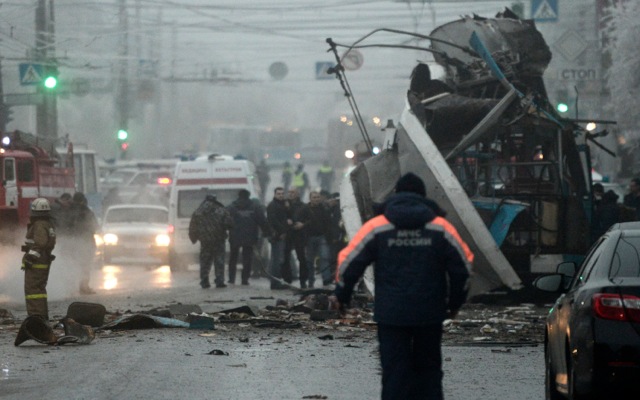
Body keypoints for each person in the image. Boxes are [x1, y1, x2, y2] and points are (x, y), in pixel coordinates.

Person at [331, 172, 473, 400]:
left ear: (395, 194)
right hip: (429, 313)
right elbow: (463, 268)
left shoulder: (377, 227)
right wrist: (454, 303)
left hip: (391, 314)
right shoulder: (441, 228)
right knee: (429, 373)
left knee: (395, 373)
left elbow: (350, 263)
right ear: (423, 196)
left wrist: (342, 296)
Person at [21, 198, 57, 320]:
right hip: (43, 261)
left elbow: (40, 244)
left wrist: (30, 257)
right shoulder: (47, 224)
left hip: (36, 263)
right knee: (39, 290)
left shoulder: (39, 225)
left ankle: (36, 317)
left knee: (33, 290)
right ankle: (41, 316)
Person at [189, 194, 233, 288]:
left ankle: (204, 281)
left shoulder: (198, 211)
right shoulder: (221, 210)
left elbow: (193, 227)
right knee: (219, 261)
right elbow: (229, 224)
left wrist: (194, 238)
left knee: (205, 261)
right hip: (219, 240)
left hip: (205, 241)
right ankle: (219, 280)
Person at [226, 189, 270, 285]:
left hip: (234, 236)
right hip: (250, 237)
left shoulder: (231, 207)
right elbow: (262, 221)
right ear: (248, 196)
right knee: (247, 259)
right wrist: (267, 233)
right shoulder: (255, 207)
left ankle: (231, 279)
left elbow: (224, 220)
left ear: (239, 195)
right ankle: (244, 279)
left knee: (233, 258)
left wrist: (227, 230)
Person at [296, 191, 332, 288]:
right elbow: (298, 220)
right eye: (314, 197)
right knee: (309, 261)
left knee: (324, 257)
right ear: (310, 198)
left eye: (318, 197)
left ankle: (326, 280)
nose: (316, 199)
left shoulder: (324, 209)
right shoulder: (304, 209)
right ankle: (311, 281)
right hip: (309, 238)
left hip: (321, 237)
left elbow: (328, 222)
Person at [69, 192, 100, 295]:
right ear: (83, 200)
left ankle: (70, 287)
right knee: (85, 265)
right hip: (86, 241)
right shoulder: (86, 211)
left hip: (71, 241)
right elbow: (95, 226)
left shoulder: (68, 211)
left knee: (71, 264)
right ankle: (84, 287)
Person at [283, 187, 308, 287]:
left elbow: (309, 219)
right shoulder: (284, 205)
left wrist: (303, 224)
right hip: (288, 234)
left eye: (293, 192)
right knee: (286, 257)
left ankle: (303, 280)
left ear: (297, 194)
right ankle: (287, 279)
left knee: (301, 257)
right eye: (289, 192)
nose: (290, 194)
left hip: (299, 235)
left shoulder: (303, 206)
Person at [266, 187, 289, 289]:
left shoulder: (282, 204)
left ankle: (276, 282)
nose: (281, 195)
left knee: (277, 259)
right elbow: (273, 220)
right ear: (275, 194)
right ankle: (275, 283)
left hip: (279, 235)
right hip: (277, 236)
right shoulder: (273, 205)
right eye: (279, 194)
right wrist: (282, 231)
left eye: (282, 194)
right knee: (276, 260)